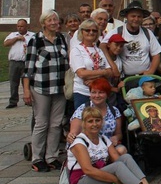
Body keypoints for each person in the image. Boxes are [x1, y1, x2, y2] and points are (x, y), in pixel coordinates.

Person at [64, 107, 161, 184]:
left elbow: (117, 159)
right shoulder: (79, 142)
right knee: (118, 166)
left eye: (97, 120)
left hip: (99, 179)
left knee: (126, 157)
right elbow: (88, 170)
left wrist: (121, 176)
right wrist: (115, 179)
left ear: (102, 122)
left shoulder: (104, 139)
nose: (94, 124)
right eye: (90, 121)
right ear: (83, 123)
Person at [23, 10, 69, 172]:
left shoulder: (61, 39)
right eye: (50, 20)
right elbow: (28, 68)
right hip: (41, 87)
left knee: (56, 123)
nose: (54, 23)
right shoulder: (35, 41)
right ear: (43, 23)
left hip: (59, 87)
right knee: (42, 123)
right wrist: (26, 90)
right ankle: (37, 157)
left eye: (56, 20)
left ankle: (52, 156)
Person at [100, 1, 161, 79]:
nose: (136, 19)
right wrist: (113, 65)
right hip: (125, 78)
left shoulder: (147, 33)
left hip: (145, 79)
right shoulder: (118, 31)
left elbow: (156, 55)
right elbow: (102, 46)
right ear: (126, 16)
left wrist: (151, 71)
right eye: (133, 16)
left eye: (139, 16)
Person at [68, 78, 126, 155]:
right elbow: (73, 134)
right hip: (88, 146)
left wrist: (116, 138)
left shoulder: (114, 111)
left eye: (101, 92)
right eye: (94, 92)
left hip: (109, 145)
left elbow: (119, 134)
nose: (97, 96)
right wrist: (71, 136)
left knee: (122, 150)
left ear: (107, 94)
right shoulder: (82, 109)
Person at [70, 19, 114, 109]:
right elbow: (81, 73)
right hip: (83, 92)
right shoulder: (76, 50)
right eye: (87, 30)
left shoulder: (99, 50)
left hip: (101, 92)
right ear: (81, 32)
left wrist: (95, 79)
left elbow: (110, 72)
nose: (91, 32)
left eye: (94, 30)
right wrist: (103, 73)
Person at [4, 18, 32, 109]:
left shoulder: (32, 35)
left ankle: (28, 100)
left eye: (22, 26)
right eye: (18, 26)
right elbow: (6, 43)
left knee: (27, 82)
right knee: (13, 82)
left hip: (26, 62)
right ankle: (13, 101)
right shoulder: (13, 35)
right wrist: (16, 38)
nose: (20, 28)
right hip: (14, 62)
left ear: (26, 26)